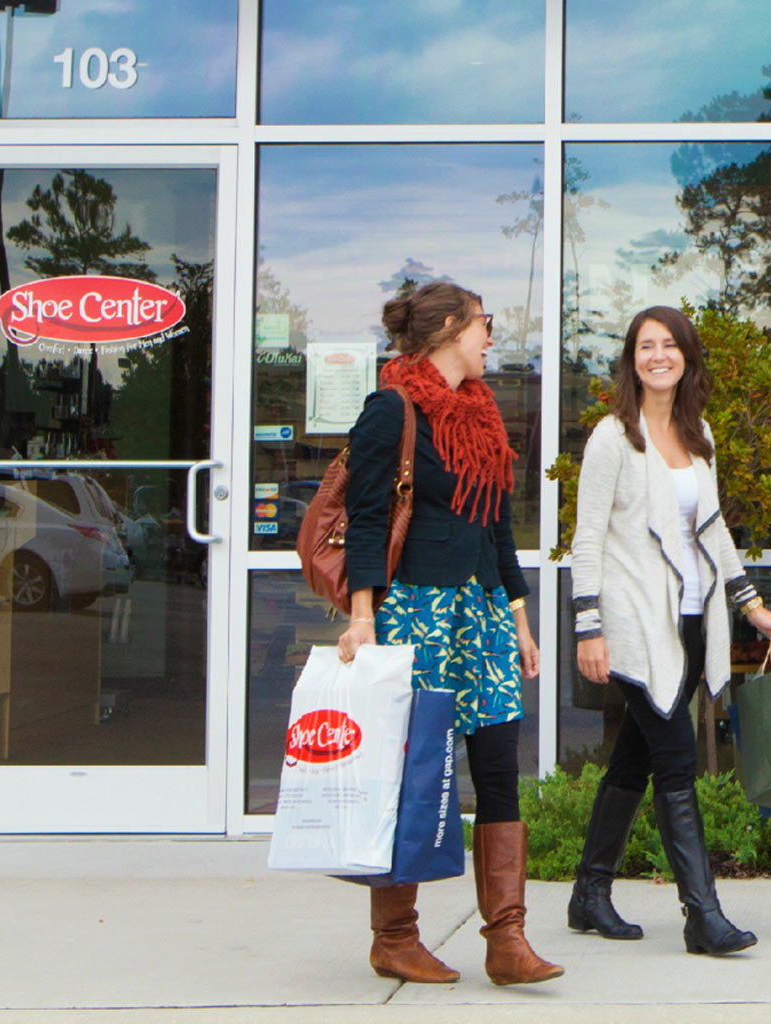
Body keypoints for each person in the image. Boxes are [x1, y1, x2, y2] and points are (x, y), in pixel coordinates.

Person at [334, 280, 560, 987]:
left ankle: (507, 940)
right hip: (415, 612)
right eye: (483, 325)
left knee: (497, 761)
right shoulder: (391, 411)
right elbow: (368, 522)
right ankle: (394, 936)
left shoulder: (482, 415)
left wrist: (519, 618)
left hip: (480, 612)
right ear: (449, 332)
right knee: (413, 771)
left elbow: (495, 524)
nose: (491, 337)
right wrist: (361, 617)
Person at [564, 305, 771, 956]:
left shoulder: (700, 436)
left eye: (669, 345)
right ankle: (702, 914)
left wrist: (750, 604)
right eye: (645, 345)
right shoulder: (613, 436)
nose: (658, 355)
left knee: (636, 757)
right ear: (631, 359)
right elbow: (587, 538)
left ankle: (590, 892)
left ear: (687, 358)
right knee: (675, 762)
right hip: (636, 622)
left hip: (696, 622)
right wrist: (589, 628)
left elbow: (713, 527)